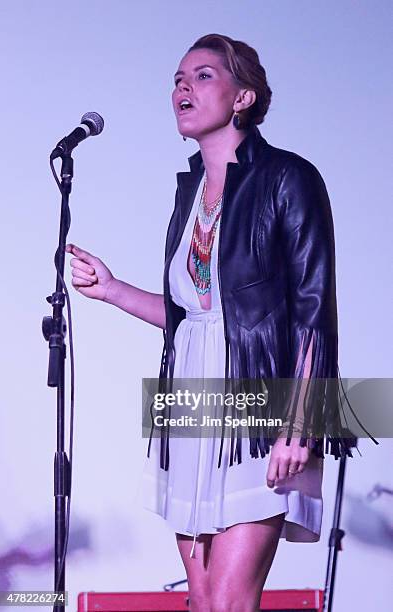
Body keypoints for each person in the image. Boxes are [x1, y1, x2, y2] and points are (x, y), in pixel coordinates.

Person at [65, 33, 372, 612]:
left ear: (243, 98)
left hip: (261, 408)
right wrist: (111, 291)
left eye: (203, 76)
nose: (183, 86)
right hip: (190, 405)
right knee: (203, 604)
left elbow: (315, 310)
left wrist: (300, 423)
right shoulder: (188, 193)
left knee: (231, 603)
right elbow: (192, 317)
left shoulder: (289, 177)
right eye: (178, 79)